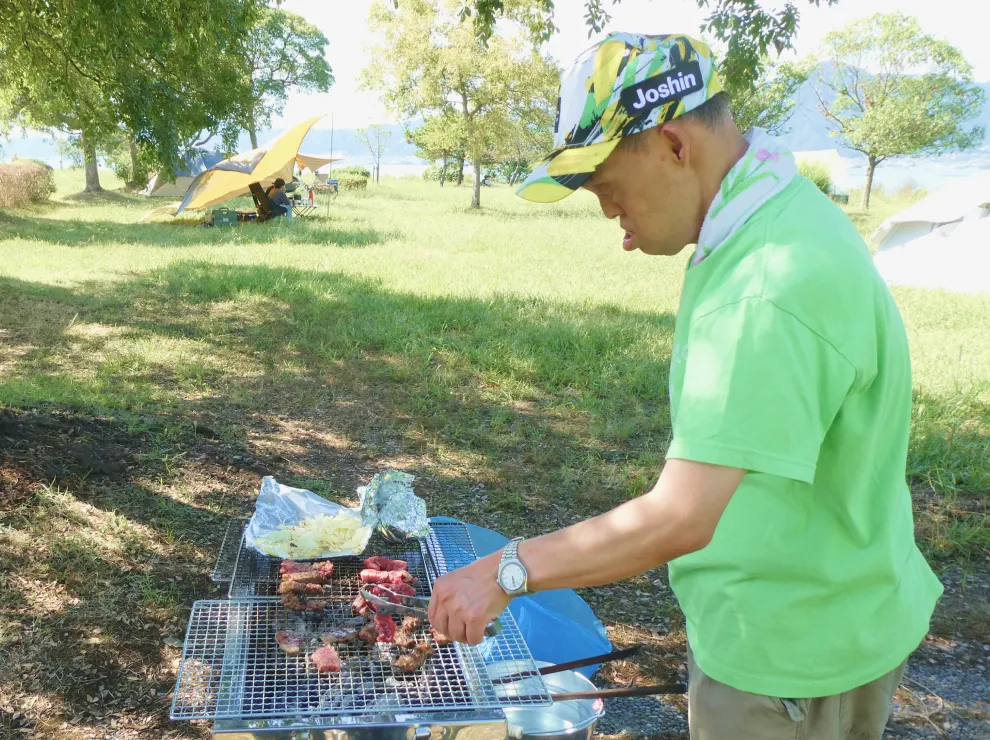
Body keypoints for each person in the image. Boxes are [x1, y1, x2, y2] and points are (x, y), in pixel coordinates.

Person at [427, 32, 943, 740]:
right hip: (833, 610)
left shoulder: (763, 286)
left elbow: (681, 516)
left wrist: (505, 571)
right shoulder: (782, 216)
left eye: (607, 187)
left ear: (673, 144)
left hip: (784, 655)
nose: (608, 211)